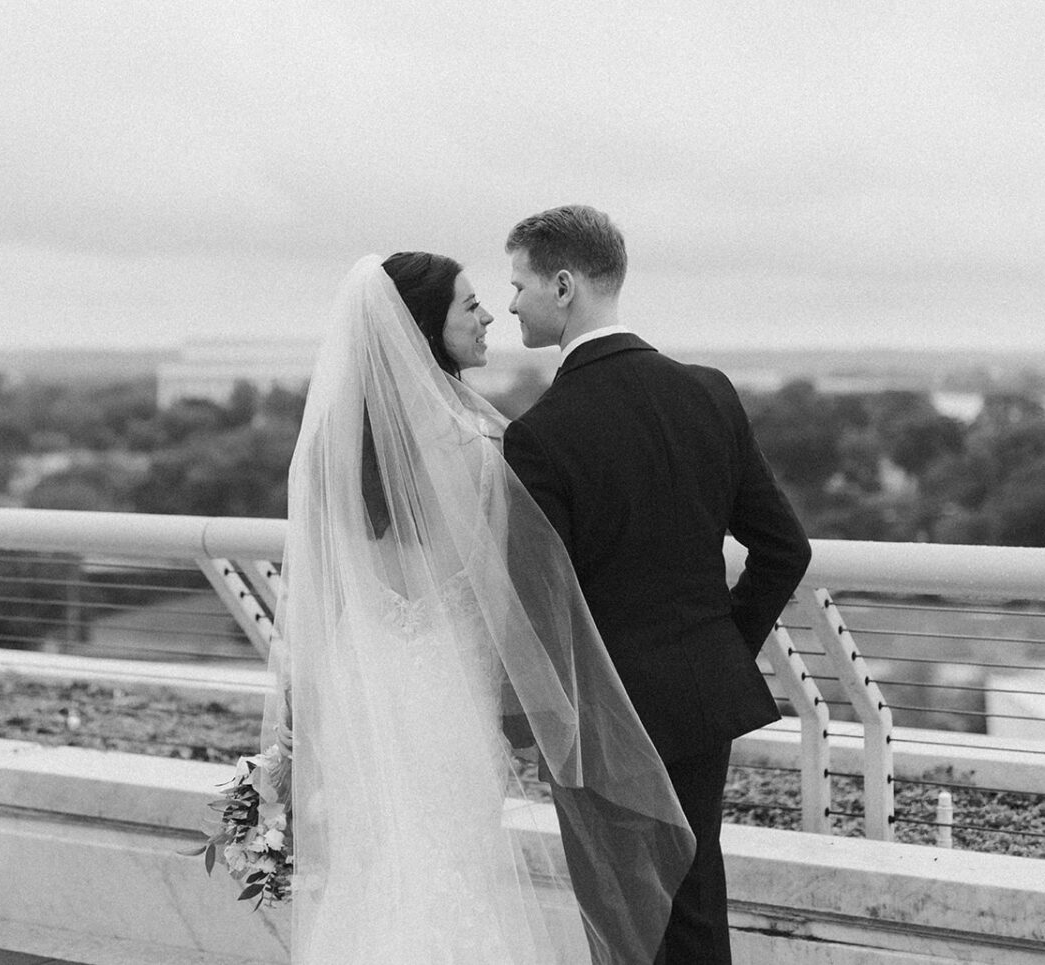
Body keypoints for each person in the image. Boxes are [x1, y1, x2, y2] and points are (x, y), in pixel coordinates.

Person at [266, 251, 694, 965]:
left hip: (361, 693)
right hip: (449, 696)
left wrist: (296, 721)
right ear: (426, 327)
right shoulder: (480, 444)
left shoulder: (329, 447)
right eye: (470, 305)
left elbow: (321, 596)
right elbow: (513, 594)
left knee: (374, 871)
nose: (489, 313)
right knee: (456, 870)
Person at [502, 206, 812, 965]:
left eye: (518, 284)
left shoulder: (540, 434)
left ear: (565, 285)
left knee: (623, 922)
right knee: (694, 903)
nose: (510, 303)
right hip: (701, 696)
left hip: (602, 718)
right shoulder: (707, 392)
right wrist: (721, 647)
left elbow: (536, 604)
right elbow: (784, 547)